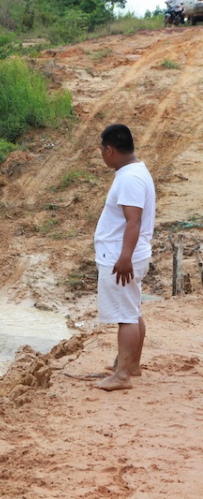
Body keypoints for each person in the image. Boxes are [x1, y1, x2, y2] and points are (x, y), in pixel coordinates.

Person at [94, 124, 156, 391]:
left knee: (126, 317)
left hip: (122, 256)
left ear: (109, 150)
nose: (101, 154)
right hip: (127, 253)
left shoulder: (129, 178)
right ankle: (131, 366)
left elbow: (134, 221)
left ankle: (122, 376)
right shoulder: (134, 171)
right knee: (132, 310)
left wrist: (124, 258)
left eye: (101, 149)